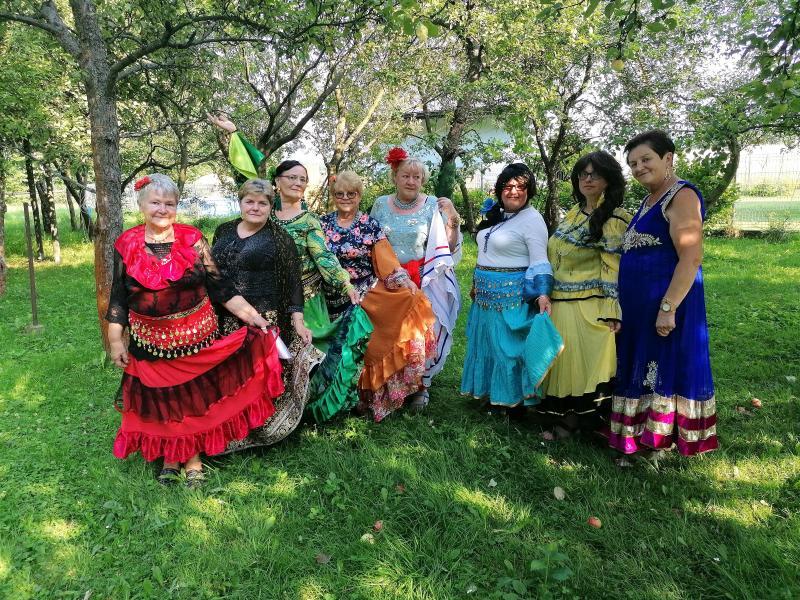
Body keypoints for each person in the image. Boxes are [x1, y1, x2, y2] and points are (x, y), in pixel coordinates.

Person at [107, 174, 284, 487]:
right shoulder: (126, 244)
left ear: (177, 206)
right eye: (155, 202)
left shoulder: (192, 239)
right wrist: (115, 339)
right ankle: (170, 456)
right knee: (164, 400)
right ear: (141, 205)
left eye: (169, 203)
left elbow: (220, 286)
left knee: (191, 400)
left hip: (196, 339)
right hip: (150, 344)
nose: (162, 209)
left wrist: (253, 317)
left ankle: (192, 458)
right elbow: (118, 296)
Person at [207, 113, 373, 423]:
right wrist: (234, 135)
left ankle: (306, 412)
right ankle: (264, 411)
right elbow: (247, 176)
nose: (297, 183)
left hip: (304, 299)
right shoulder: (263, 210)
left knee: (305, 356)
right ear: (277, 182)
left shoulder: (308, 221)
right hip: (261, 299)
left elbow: (324, 257)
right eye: (291, 177)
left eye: (303, 179)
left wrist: (345, 283)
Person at [609, 130, 717, 456]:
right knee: (642, 366)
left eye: (646, 159)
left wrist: (668, 307)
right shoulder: (648, 201)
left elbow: (691, 256)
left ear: (668, 158)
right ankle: (639, 435)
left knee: (662, 368)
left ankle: (660, 441)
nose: (638, 167)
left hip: (666, 303)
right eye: (632, 163)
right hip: (638, 307)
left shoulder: (681, 196)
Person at [320, 171, 437, 421]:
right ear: (333, 196)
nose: (345, 198)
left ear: (359, 196)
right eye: (340, 194)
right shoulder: (322, 224)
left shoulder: (369, 224)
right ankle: (329, 399)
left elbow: (386, 261)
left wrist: (404, 281)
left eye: (351, 194)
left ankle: (364, 397)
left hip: (365, 293)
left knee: (376, 338)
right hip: (328, 296)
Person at [211, 179, 317, 451]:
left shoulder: (280, 239)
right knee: (228, 376)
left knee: (254, 378)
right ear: (240, 202)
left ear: (271, 206)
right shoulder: (223, 230)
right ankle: (226, 428)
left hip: (263, 317)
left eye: (262, 203)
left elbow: (293, 282)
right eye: (250, 201)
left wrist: (298, 320)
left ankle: (256, 430)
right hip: (223, 316)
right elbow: (212, 271)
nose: (255, 208)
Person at [538, 152, 631, 432]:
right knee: (565, 365)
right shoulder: (575, 212)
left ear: (609, 180)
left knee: (586, 367)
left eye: (595, 174)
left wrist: (612, 310)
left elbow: (612, 267)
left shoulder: (614, 218)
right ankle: (566, 418)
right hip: (561, 302)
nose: (588, 179)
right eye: (583, 174)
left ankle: (586, 423)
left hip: (589, 305)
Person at [459, 163, 563, 408]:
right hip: (485, 298)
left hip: (510, 298)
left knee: (507, 349)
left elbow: (539, 260)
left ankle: (513, 402)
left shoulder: (532, 220)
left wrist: (543, 294)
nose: (513, 191)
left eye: (520, 186)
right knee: (486, 345)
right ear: (499, 190)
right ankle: (488, 392)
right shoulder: (500, 216)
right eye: (508, 186)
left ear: (530, 190)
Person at [370, 147, 462, 409]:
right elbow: (371, 240)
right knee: (389, 333)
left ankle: (420, 386)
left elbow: (448, 247)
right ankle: (390, 383)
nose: (411, 181)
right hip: (387, 279)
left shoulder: (432, 204)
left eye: (417, 177)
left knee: (420, 335)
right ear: (395, 177)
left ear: (423, 180)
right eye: (405, 176)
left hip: (422, 280)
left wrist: (453, 220)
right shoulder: (380, 204)